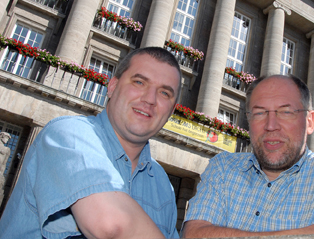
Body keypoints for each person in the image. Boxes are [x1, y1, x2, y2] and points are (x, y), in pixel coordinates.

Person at [0, 47, 181, 238]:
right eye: (139, 82)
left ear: (171, 111)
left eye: (164, 93)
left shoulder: (162, 183)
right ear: (112, 86)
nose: (150, 99)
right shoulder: (68, 135)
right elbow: (111, 224)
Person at [182, 74, 314, 238]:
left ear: (309, 122)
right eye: (259, 113)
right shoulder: (223, 168)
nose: (271, 125)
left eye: (286, 112)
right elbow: (194, 234)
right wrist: (304, 233)